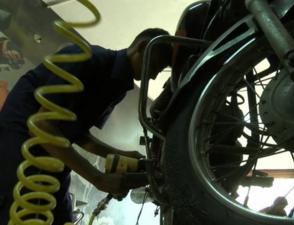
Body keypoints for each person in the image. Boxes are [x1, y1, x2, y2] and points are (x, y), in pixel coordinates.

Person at [0, 28, 172, 224]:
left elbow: (78, 133)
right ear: (141, 47)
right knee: (24, 214)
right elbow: (42, 125)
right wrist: (98, 179)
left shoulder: (117, 86)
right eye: (156, 66)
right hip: (22, 148)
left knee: (62, 217)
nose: (154, 77)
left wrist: (118, 154)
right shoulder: (88, 59)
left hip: (51, 152)